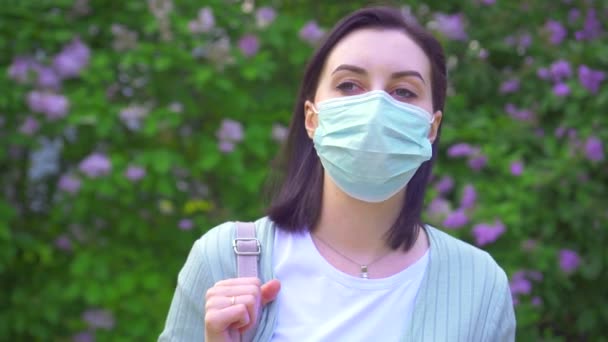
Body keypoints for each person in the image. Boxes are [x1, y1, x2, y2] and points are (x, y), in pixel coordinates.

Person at [159, 6, 516, 342]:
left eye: (403, 91)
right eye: (349, 85)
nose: (376, 107)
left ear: (431, 127)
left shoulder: (480, 285)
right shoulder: (224, 259)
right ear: (312, 118)